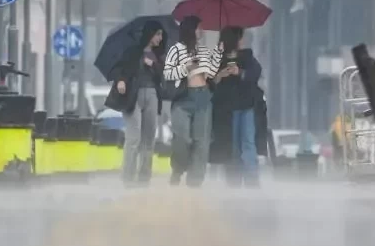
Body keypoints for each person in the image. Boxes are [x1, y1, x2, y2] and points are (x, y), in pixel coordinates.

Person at [163, 15, 228, 187]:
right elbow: (168, 73)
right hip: (183, 98)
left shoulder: (203, 50)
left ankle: (195, 181)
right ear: (190, 29)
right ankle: (178, 169)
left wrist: (218, 53)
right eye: (199, 28)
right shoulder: (176, 49)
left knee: (202, 142)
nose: (201, 31)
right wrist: (187, 67)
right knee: (182, 138)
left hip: (203, 96)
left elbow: (211, 73)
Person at [107, 21, 167, 185]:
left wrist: (153, 64)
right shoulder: (132, 52)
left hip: (152, 95)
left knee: (149, 139)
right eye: (158, 34)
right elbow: (118, 69)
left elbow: (164, 75)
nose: (160, 38)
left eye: (161, 35)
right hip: (132, 97)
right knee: (134, 138)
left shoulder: (159, 54)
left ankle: (144, 179)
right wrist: (120, 80)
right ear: (150, 34)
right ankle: (128, 178)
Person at [211, 26, 263, 186]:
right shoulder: (217, 59)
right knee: (232, 146)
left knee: (248, 143)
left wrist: (239, 72)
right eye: (240, 37)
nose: (241, 41)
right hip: (227, 109)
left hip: (246, 106)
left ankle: (252, 180)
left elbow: (255, 73)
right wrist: (220, 75)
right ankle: (233, 181)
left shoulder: (247, 56)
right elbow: (209, 82)